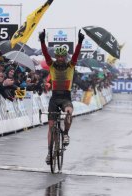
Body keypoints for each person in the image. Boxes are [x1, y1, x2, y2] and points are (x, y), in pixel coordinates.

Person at [39, 29, 84, 164]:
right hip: (54, 98)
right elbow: (46, 54)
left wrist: (80, 42)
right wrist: (42, 41)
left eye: (61, 57)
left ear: (64, 57)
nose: (59, 59)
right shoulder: (51, 65)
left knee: (69, 112)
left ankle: (65, 134)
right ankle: (49, 152)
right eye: (57, 57)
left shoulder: (70, 66)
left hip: (65, 97)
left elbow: (76, 54)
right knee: (51, 126)